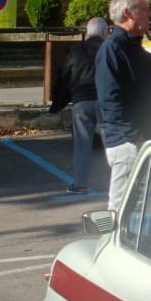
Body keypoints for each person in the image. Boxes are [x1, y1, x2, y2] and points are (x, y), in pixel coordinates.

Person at [95, 0, 151, 212]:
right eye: (145, 10)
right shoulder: (113, 49)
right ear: (129, 13)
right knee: (121, 208)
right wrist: (131, 135)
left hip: (141, 138)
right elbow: (109, 99)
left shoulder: (135, 49)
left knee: (138, 206)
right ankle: (110, 243)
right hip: (127, 142)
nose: (150, 16)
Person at [51, 16, 108, 194]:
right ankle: (118, 183)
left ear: (86, 33)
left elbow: (65, 76)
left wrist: (58, 103)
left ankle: (80, 184)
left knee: (82, 145)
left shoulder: (76, 50)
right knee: (112, 143)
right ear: (105, 32)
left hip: (81, 101)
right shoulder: (108, 49)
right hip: (105, 100)